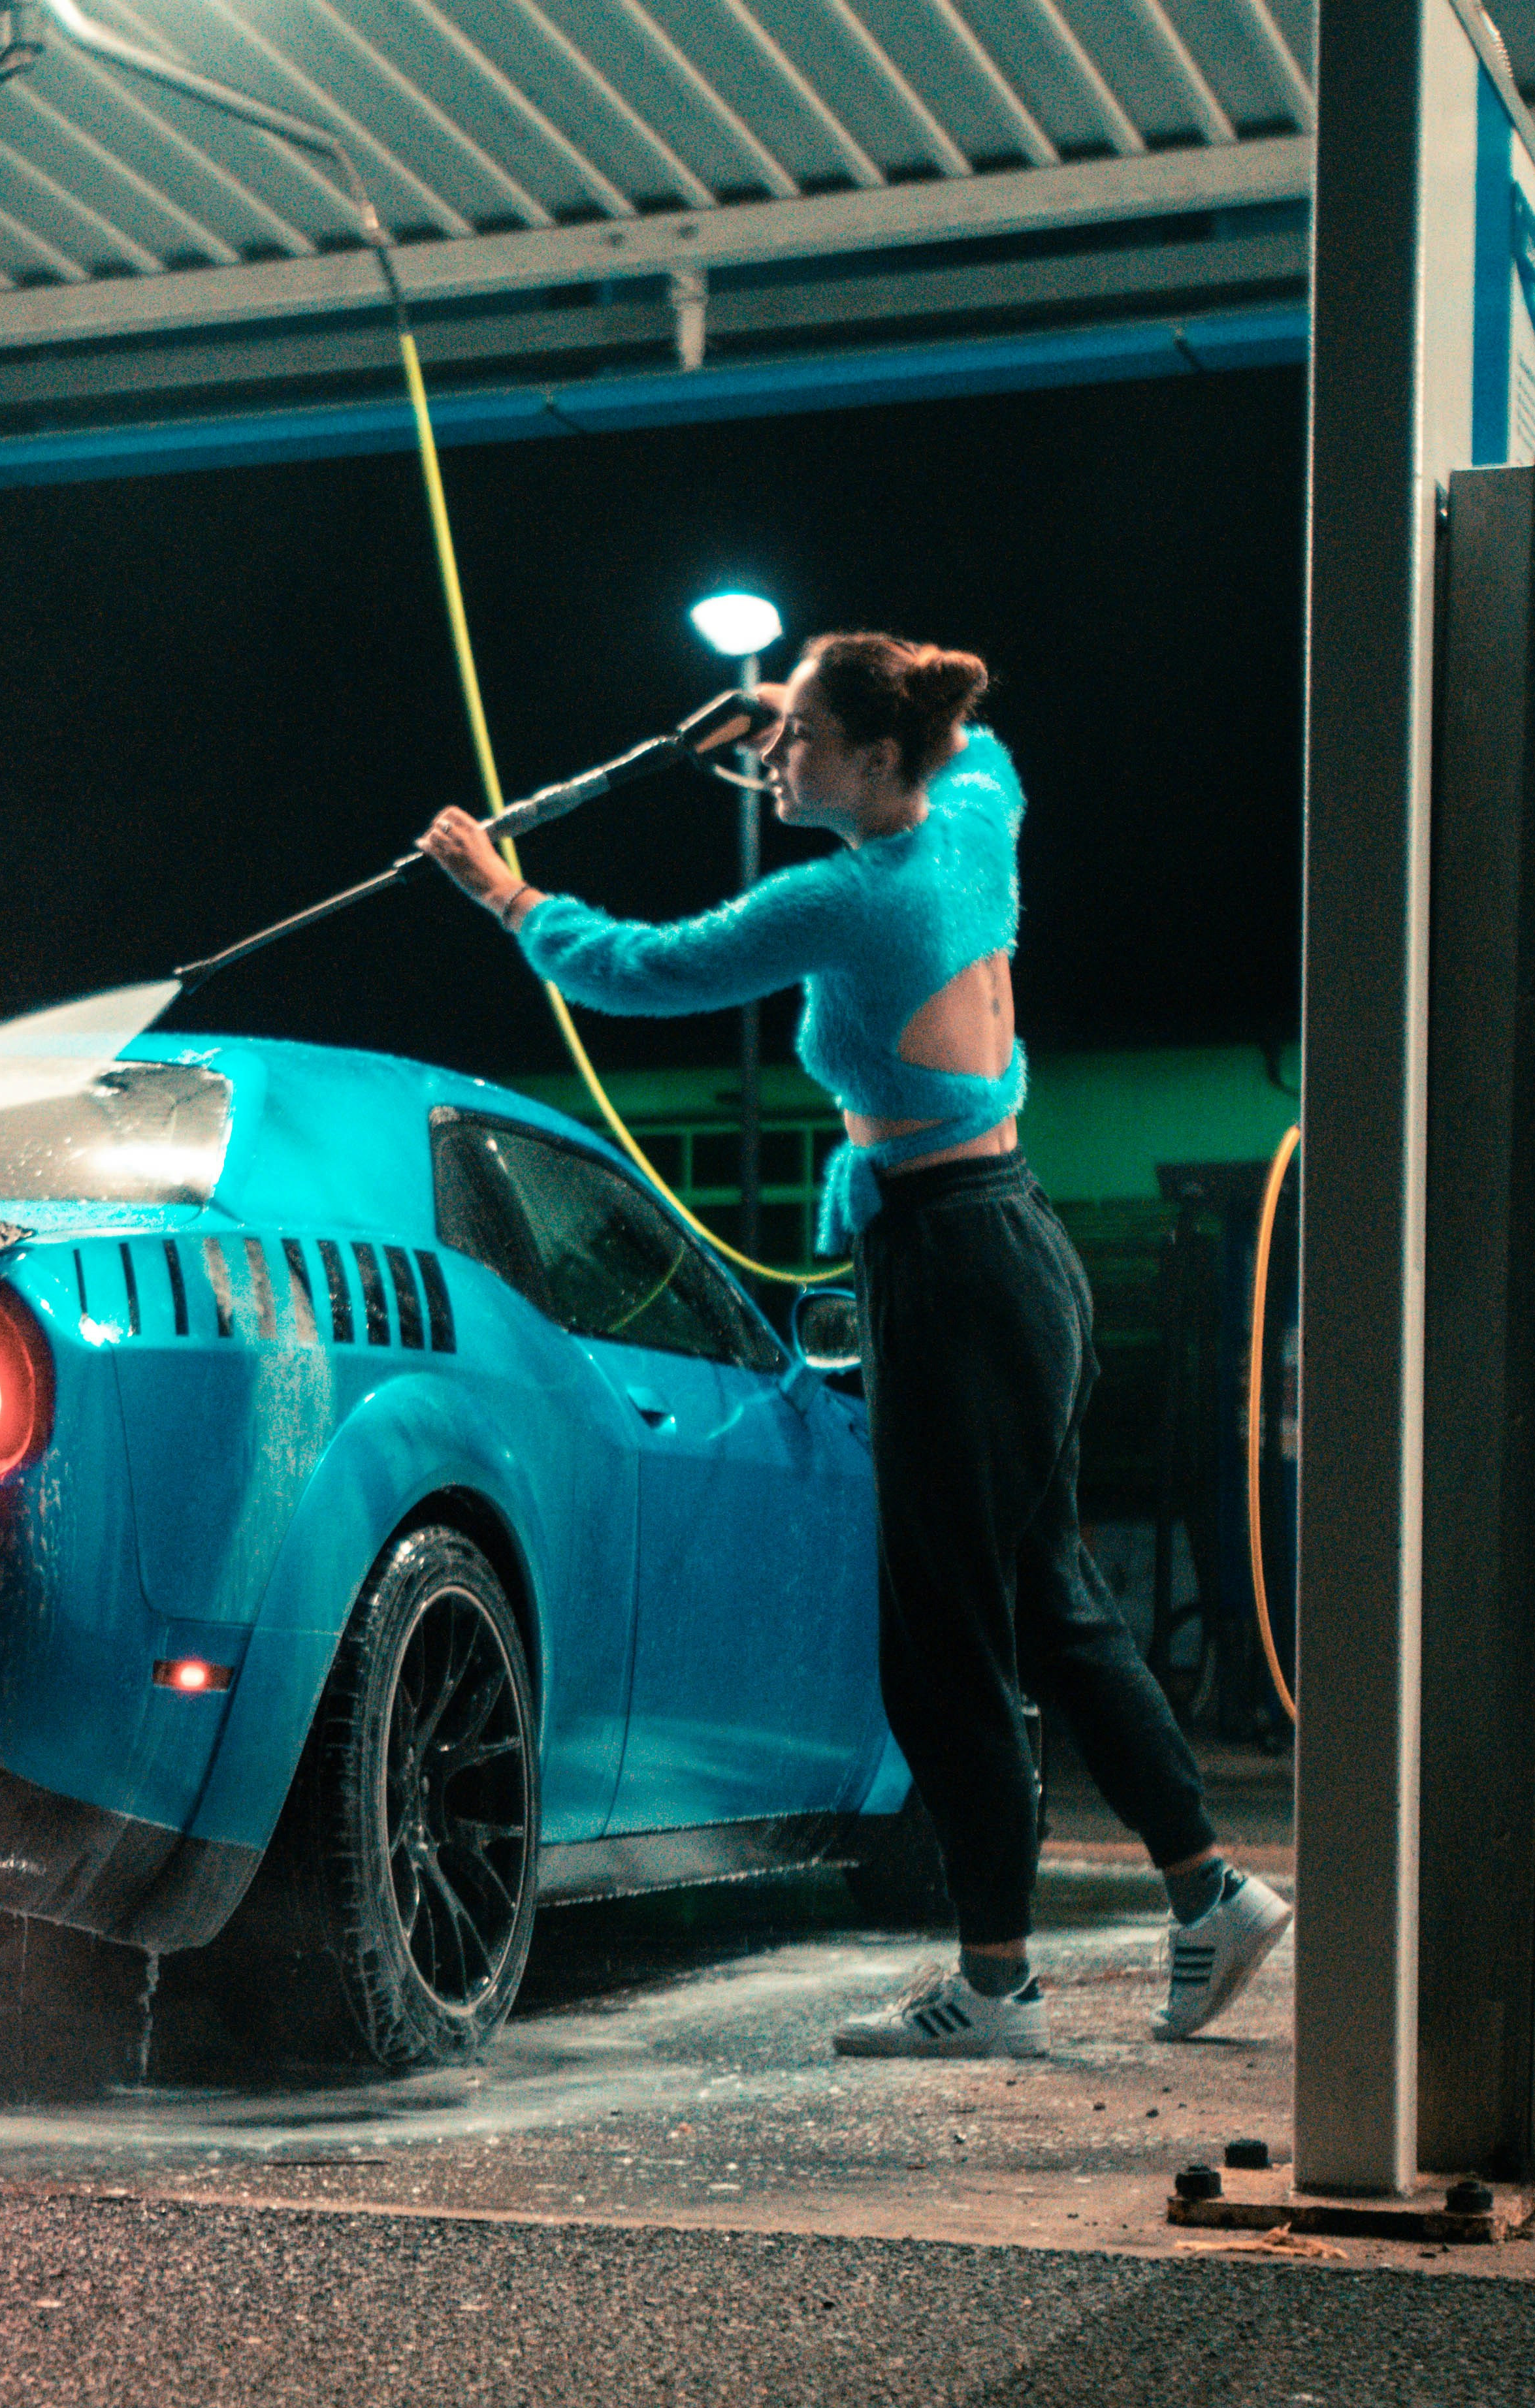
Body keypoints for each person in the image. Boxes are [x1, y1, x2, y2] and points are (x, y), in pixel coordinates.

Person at [417, 631, 1291, 2058]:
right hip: (1016, 1246)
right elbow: (987, 748)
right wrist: (777, 694)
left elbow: (644, 968)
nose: (773, 759)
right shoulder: (969, 814)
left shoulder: (847, 897)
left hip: (950, 1269)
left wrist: (503, 892)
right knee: (1047, 1603)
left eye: (800, 741)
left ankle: (999, 1985)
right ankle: (1209, 1892)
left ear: (880, 762)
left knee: (942, 1646)